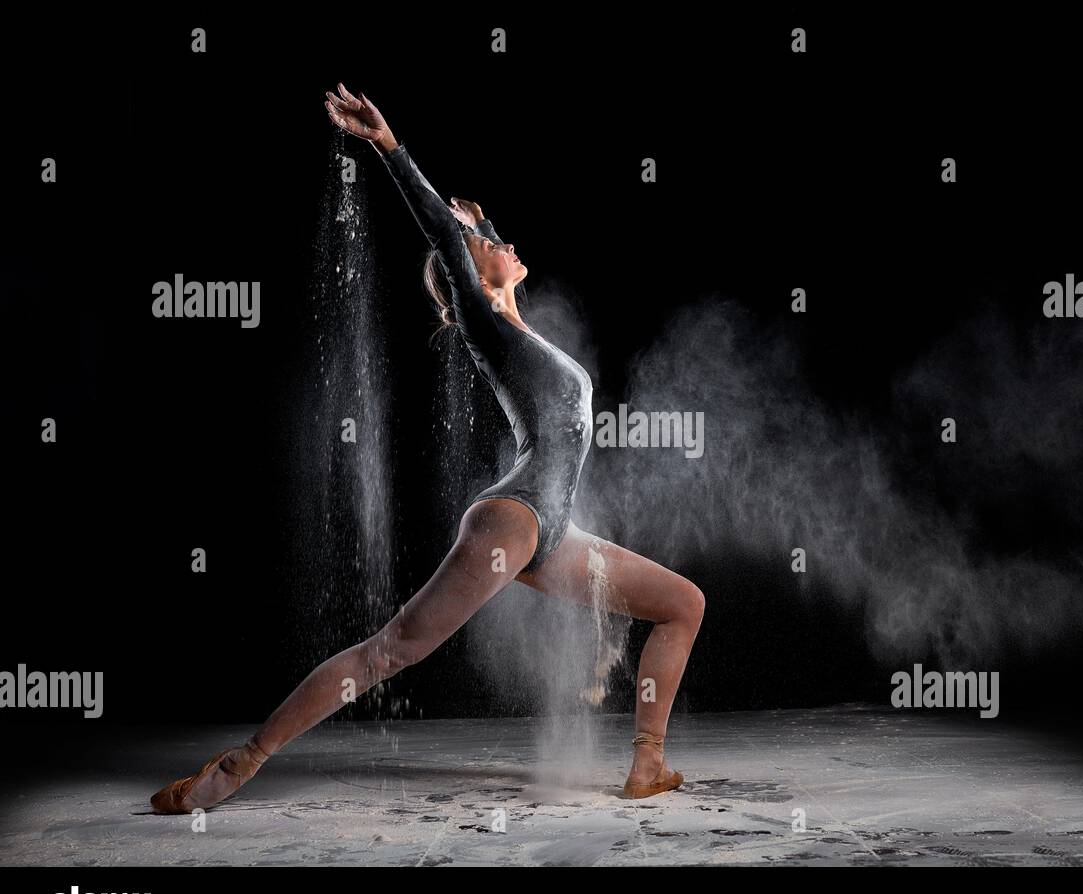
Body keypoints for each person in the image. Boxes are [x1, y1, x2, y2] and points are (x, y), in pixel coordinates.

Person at [149, 83, 705, 812]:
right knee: (392, 651)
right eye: (486, 237)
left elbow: (464, 244)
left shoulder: (521, 334)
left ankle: (647, 765)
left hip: (552, 529)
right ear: (467, 273)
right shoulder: (485, 324)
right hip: (513, 517)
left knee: (682, 603)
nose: (504, 241)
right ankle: (236, 765)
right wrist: (388, 147)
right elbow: (445, 233)